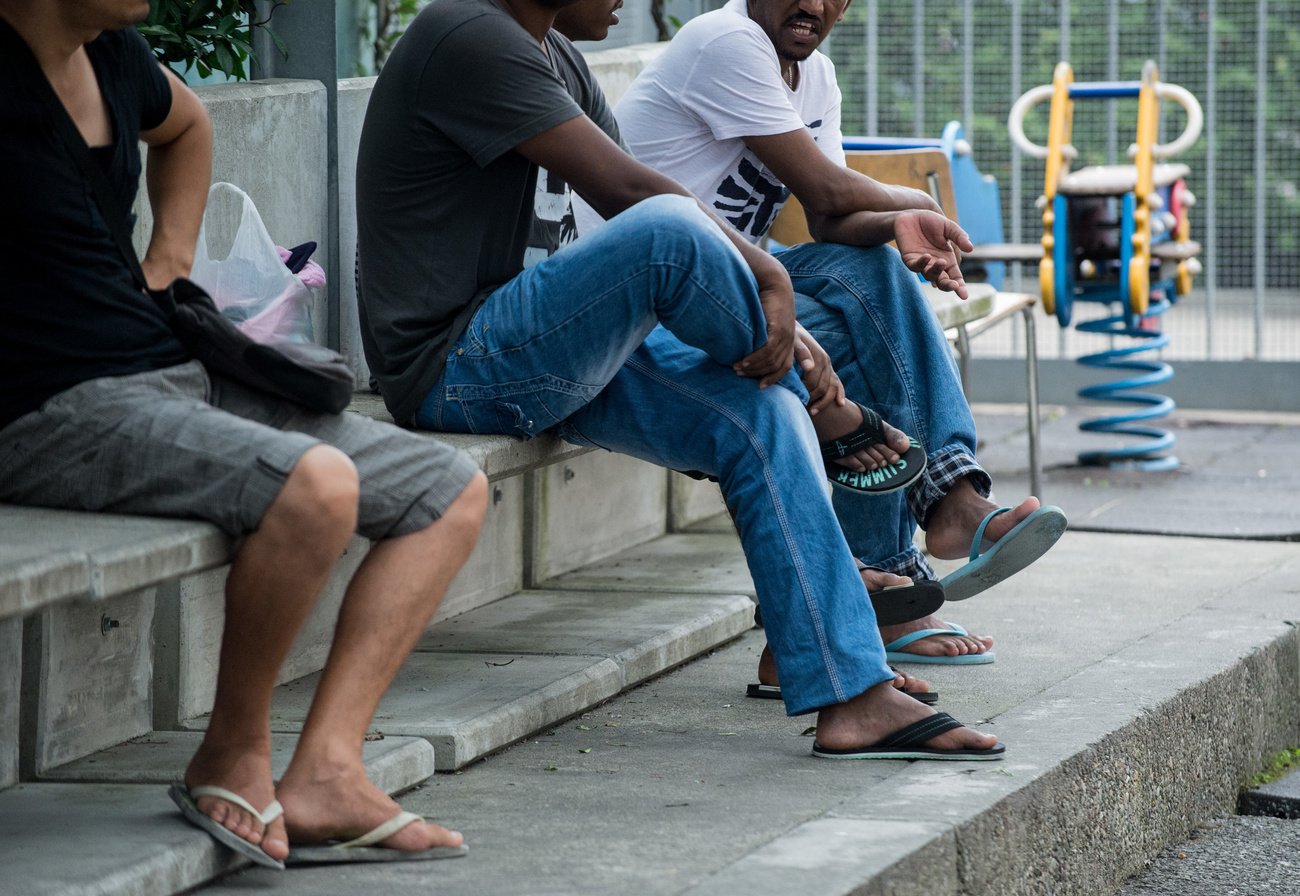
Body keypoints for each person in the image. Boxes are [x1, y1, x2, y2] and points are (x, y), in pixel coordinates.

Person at [356, 0, 1003, 761]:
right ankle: (839, 416)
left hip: (552, 347)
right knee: (664, 234)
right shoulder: (466, 35)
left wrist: (777, 307)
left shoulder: (553, 56)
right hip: (457, 363)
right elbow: (641, 200)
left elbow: (649, 194)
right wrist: (772, 291)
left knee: (763, 415)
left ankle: (851, 693)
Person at [0, 0, 487, 867]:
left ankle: (328, 770)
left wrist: (168, 263)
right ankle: (233, 750)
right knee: (319, 485)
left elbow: (185, 128)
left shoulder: (114, 56)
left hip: (172, 370)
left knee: (449, 490)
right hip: (47, 407)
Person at [582, 0, 1067, 680]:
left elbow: (832, 222)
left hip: (736, 288)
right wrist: (918, 208)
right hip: (635, 309)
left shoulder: (815, 79)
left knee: (871, 275)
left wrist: (897, 229)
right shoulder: (727, 41)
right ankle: (910, 543)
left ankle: (918, 534)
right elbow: (831, 190)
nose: (813, 2)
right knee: (854, 334)